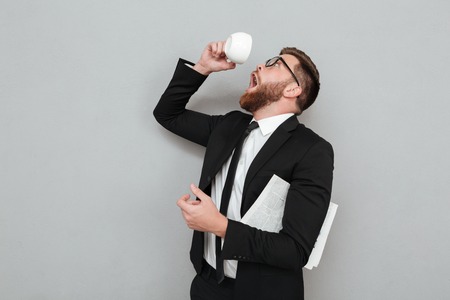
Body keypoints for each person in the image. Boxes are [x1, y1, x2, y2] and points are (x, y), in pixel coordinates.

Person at [153, 40, 334, 300]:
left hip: (263, 294)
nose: (260, 64)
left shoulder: (312, 150)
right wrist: (203, 68)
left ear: (293, 89)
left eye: (274, 64)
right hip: (207, 285)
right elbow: (167, 114)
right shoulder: (229, 126)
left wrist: (220, 226)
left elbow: (294, 250)